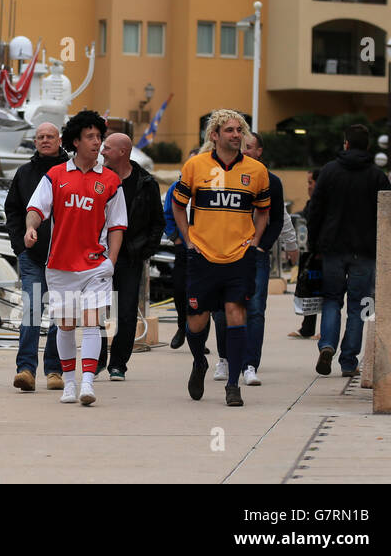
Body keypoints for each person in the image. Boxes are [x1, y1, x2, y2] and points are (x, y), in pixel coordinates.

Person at [24, 110, 126, 406]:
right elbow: (36, 208)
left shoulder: (110, 180)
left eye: (99, 137)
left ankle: (88, 383)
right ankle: (69, 383)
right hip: (61, 265)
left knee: (92, 323)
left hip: (96, 265)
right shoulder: (55, 175)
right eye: (91, 137)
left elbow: (118, 225)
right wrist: (31, 228)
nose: (97, 143)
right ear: (76, 141)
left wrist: (112, 262)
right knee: (66, 324)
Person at [172, 110, 270, 407]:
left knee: (235, 314)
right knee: (197, 322)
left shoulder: (256, 170)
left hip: (239, 257)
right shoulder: (195, 166)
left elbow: (263, 210)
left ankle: (232, 385)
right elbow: (178, 206)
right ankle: (200, 361)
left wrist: (254, 242)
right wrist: (188, 240)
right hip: (203, 256)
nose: (236, 135)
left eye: (240, 130)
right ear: (214, 135)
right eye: (229, 130)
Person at [306, 124, 390, 377]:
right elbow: (386, 214)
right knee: (358, 306)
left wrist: (314, 244)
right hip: (365, 252)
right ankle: (349, 361)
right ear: (367, 146)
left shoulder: (330, 172)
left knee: (332, 299)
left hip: (332, 248)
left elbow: (315, 211)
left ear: (345, 144)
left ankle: (327, 344)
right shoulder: (377, 176)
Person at [217, 132, 298, 386]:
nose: (246, 150)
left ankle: (250, 364)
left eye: (250, 146)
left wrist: (268, 246)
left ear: (260, 151)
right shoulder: (223, 175)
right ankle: (225, 358)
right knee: (222, 310)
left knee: (255, 310)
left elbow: (278, 217)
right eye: (243, 146)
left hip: (255, 254)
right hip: (223, 252)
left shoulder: (270, 181)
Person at [5, 122, 67, 391]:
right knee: (31, 312)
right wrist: (19, 245)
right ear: (35, 142)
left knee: (59, 315)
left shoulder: (69, 172)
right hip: (32, 256)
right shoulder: (24, 173)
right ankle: (26, 370)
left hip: (64, 256)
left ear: (59, 139)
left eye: (49, 136)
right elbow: (13, 211)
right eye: (40, 137)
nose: (44, 140)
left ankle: (54, 370)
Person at [100, 133, 165, 380]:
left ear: (122, 152)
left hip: (131, 257)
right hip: (99, 255)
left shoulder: (146, 182)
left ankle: (118, 364)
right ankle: (97, 360)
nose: (102, 151)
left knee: (126, 313)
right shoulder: (98, 177)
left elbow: (157, 222)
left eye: (107, 148)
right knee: (95, 310)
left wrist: (146, 250)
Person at [165, 148, 202, 351]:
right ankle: (181, 326)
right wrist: (177, 239)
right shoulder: (176, 186)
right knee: (179, 289)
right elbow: (168, 213)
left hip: (206, 248)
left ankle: (198, 336)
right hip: (183, 246)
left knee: (202, 294)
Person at [289, 169, 319, 339]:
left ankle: (325, 331)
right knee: (311, 289)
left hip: (320, 251)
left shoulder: (321, 202)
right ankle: (307, 328)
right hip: (312, 251)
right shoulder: (312, 202)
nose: (308, 186)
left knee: (323, 292)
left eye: (310, 182)